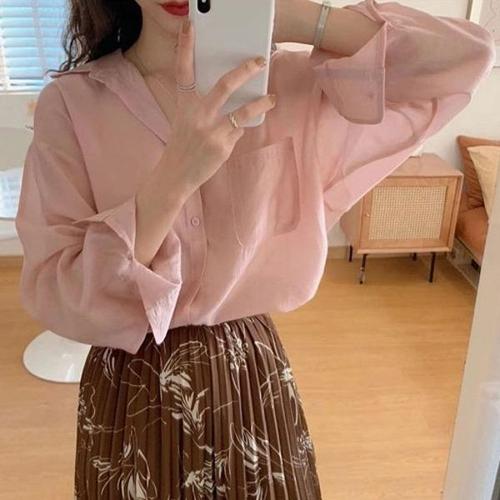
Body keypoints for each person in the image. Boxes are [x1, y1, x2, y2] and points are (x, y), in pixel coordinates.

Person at [14, 0, 495, 498]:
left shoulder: (285, 84)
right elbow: (57, 288)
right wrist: (173, 179)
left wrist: (285, 14)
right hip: (132, 391)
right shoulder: (71, 105)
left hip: (247, 382)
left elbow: (467, 59)